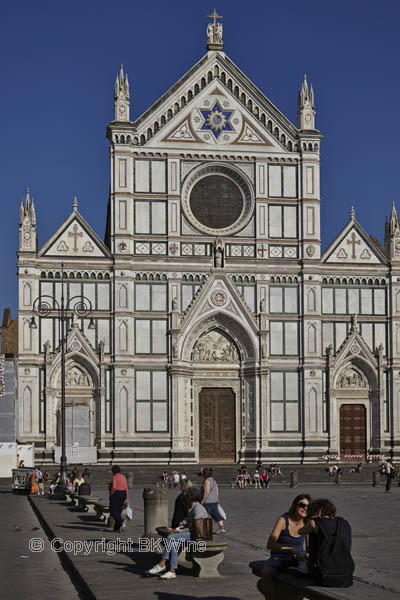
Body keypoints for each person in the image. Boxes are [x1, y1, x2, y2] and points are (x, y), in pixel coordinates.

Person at [147, 486, 208, 579]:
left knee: (170, 538)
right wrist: (178, 529)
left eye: (186, 495)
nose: (185, 497)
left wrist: (177, 531)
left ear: (190, 497)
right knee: (174, 542)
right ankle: (172, 570)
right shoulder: (192, 507)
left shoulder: (198, 509)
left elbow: (195, 528)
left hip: (199, 535)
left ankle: (162, 564)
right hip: (193, 533)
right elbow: (190, 525)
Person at [260, 494, 311, 600]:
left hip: (297, 559)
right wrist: (290, 550)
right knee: (266, 573)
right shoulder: (283, 520)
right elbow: (270, 544)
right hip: (279, 557)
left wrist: (307, 555)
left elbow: (309, 547)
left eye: (308, 506)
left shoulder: (307, 523)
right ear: (295, 505)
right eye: (302, 505)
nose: (305, 508)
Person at [298, 498, 353, 586]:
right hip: (345, 575)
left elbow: (300, 531)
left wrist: (313, 522)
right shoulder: (347, 523)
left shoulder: (314, 523)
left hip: (323, 575)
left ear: (319, 512)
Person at [201, 467, 225, 534]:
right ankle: (222, 528)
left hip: (208, 501)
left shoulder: (207, 481)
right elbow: (217, 490)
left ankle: (206, 529)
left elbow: (207, 492)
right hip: (214, 500)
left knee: (204, 515)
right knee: (216, 514)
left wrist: (202, 501)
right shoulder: (214, 480)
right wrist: (217, 499)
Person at [109, 465, 129, 532]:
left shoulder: (114, 477)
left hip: (117, 493)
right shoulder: (123, 477)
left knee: (113, 511)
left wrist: (111, 494)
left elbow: (114, 487)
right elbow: (126, 488)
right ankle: (116, 528)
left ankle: (122, 521)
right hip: (123, 493)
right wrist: (127, 498)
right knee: (119, 510)